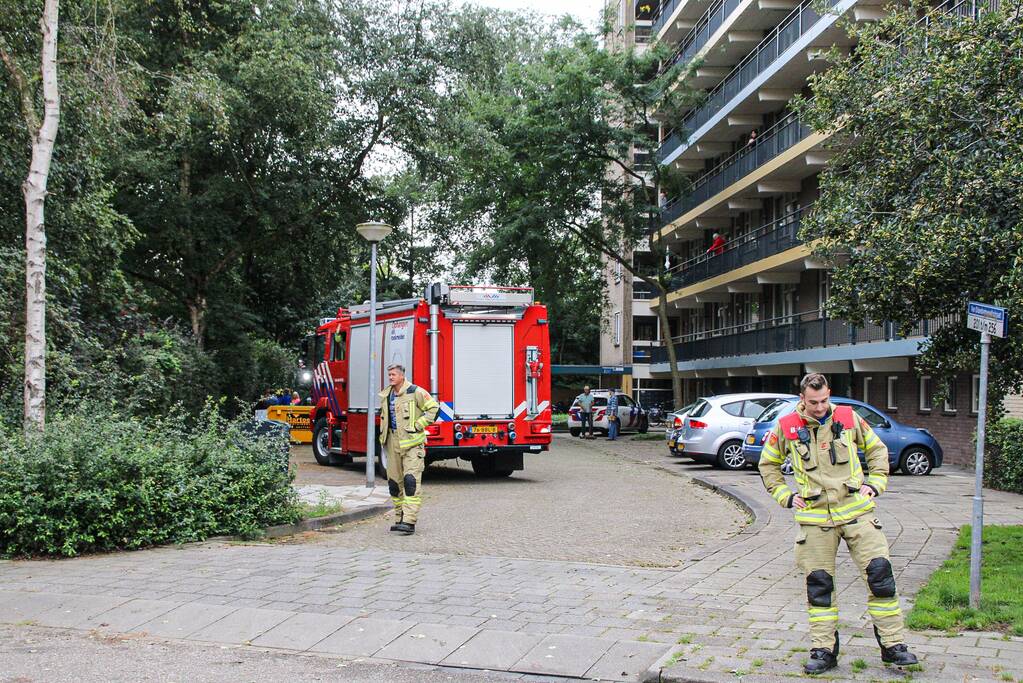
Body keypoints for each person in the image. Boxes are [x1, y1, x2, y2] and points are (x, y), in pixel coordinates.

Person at [759, 373, 919, 674]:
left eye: (823, 401)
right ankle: (824, 650)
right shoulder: (786, 427)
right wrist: (784, 495)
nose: (819, 408)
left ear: (829, 394)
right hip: (815, 519)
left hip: (857, 511)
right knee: (819, 586)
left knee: (880, 577)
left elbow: (876, 449)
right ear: (801, 399)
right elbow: (768, 464)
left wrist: (877, 482)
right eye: (812, 402)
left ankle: (893, 645)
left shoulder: (849, 417)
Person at [378, 363, 439, 535]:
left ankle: (409, 521)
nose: (390, 378)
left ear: (402, 376)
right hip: (392, 442)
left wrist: (419, 425)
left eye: (393, 375)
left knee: (411, 481)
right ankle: (399, 518)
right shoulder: (387, 394)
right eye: (389, 375)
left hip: (412, 444)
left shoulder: (415, 392)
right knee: (394, 483)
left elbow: (434, 408)